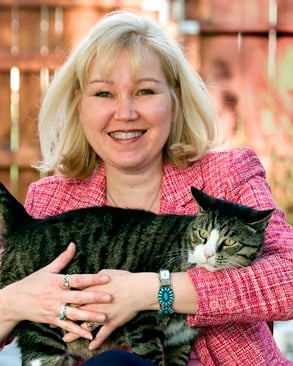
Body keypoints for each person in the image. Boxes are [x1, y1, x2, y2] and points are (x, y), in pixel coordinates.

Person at [0, 10, 292, 366]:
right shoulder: (53, 198)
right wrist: (13, 302)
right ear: (80, 107)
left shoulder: (227, 175)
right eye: (104, 93)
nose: (124, 113)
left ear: (175, 100)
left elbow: (287, 278)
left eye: (144, 91)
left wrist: (153, 291)